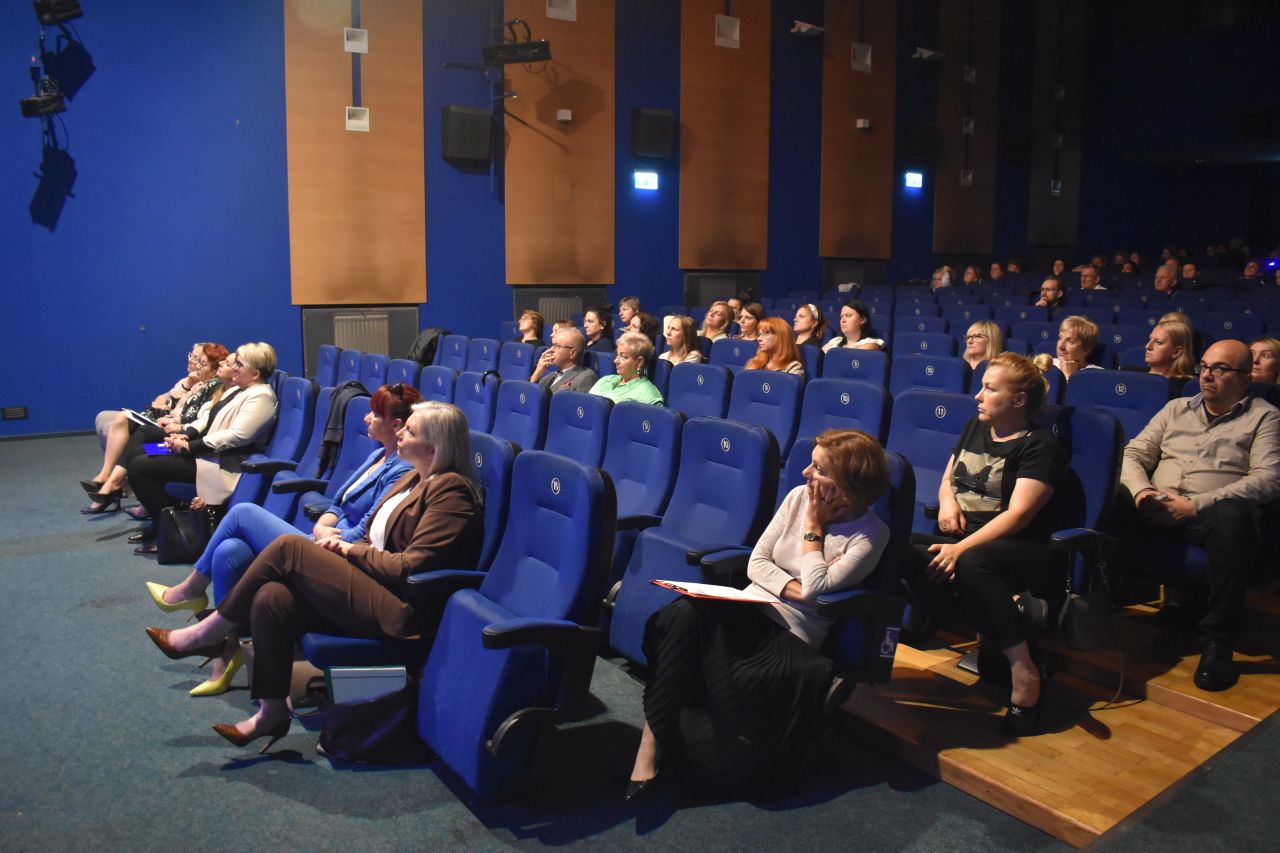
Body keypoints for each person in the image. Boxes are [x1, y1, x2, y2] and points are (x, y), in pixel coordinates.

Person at [145, 401, 485, 751]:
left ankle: (210, 632)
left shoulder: (451, 492)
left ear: (433, 448)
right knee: (272, 598)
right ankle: (271, 712)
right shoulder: (412, 477)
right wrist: (341, 545)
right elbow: (372, 534)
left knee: (288, 548)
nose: (400, 433)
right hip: (371, 582)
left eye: (410, 431)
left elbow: (410, 566)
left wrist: (350, 551)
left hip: (401, 608)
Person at [626, 429, 890, 799]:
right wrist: (798, 588)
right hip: (749, 606)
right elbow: (757, 563)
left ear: (848, 484)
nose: (805, 473)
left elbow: (815, 587)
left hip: (793, 632)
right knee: (681, 616)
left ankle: (696, 749)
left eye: (818, 469)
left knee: (739, 667)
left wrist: (813, 528)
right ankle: (650, 745)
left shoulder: (871, 534)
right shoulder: (797, 497)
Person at [144, 383, 421, 696]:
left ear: (396, 425)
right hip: (320, 536)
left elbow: (367, 532)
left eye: (375, 414)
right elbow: (336, 504)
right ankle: (225, 653)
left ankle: (190, 592)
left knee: (242, 514)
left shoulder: (402, 470)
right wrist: (323, 524)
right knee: (229, 551)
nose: (366, 418)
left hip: (338, 554)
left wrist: (329, 533)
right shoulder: (376, 455)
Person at [903, 352, 1067, 734]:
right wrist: (947, 502)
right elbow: (948, 479)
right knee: (900, 547)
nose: (978, 395)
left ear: (1019, 400)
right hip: (965, 537)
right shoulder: (975, 426)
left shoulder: (1039, 446)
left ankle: (1023, 670)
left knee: (973, 562)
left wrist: (960, 548)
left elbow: (1019, 515)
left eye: (990, 389)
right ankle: (1011, 621)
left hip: (1019, 545)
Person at [1119, 340, 1280, 691]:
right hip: (1157, 505)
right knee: (1112, 494)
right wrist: (1143, 492)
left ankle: (1217, 643)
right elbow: (1134, 453)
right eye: (1204, 367)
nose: (1206, 375)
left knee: (1232, 514)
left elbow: (1269, 479)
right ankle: (1092, 610)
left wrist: (1195, 505)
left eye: (1220, 369)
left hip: (1208, 517)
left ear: (1245, 378)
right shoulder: (1176, 408)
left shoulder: (1265, 416)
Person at [126, 343, 279, 553]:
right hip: (205, 454)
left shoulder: (261, 396)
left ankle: (172, 532)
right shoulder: (238, 389)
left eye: (240, 364)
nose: (234, 367)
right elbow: (208, 419)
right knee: (145, 452)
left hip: (221, 464)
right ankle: (161, 522)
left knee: (140, 467)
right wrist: (185, 434)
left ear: (255, 374)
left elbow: (236, 436)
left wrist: (189, 446)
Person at [82, 342, 229, 514]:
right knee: (122, 435)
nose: (193, 362)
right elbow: (167, 401)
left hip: (189, 443)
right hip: (174, 429)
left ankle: (113, 485)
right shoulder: (196, 383)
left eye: (200, 361)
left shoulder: (217, 387)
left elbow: (203, 421)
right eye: (194, 358)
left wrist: (180, 426)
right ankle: (112, 483)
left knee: (139, 442)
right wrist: (184, 392)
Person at [589, 331, 664, 405]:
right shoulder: (605, 379)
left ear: (639, 362)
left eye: (623, 357)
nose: (616, 361)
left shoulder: (647, 394)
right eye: (617, 355)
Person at [530, 327, 598, 393]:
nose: (551, 350)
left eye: (557, 346)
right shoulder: (548, 377)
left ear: (572, 353)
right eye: (553, 345)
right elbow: (529, 397)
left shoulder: (586, 377)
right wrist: (537, 373)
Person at [1144, 319, 1195, 393]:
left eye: (1158, 342)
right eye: (1150, 339)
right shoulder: (1133, 375)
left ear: (1177, 352)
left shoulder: (1184, 388)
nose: (1148, 346)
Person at [1053, 316, 1102, 380]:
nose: (1061, 346)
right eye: (1060, 338)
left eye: (1070, 341)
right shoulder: (1048, 364)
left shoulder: (1098, 374)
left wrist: (1068, 376)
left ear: (1086, 350)